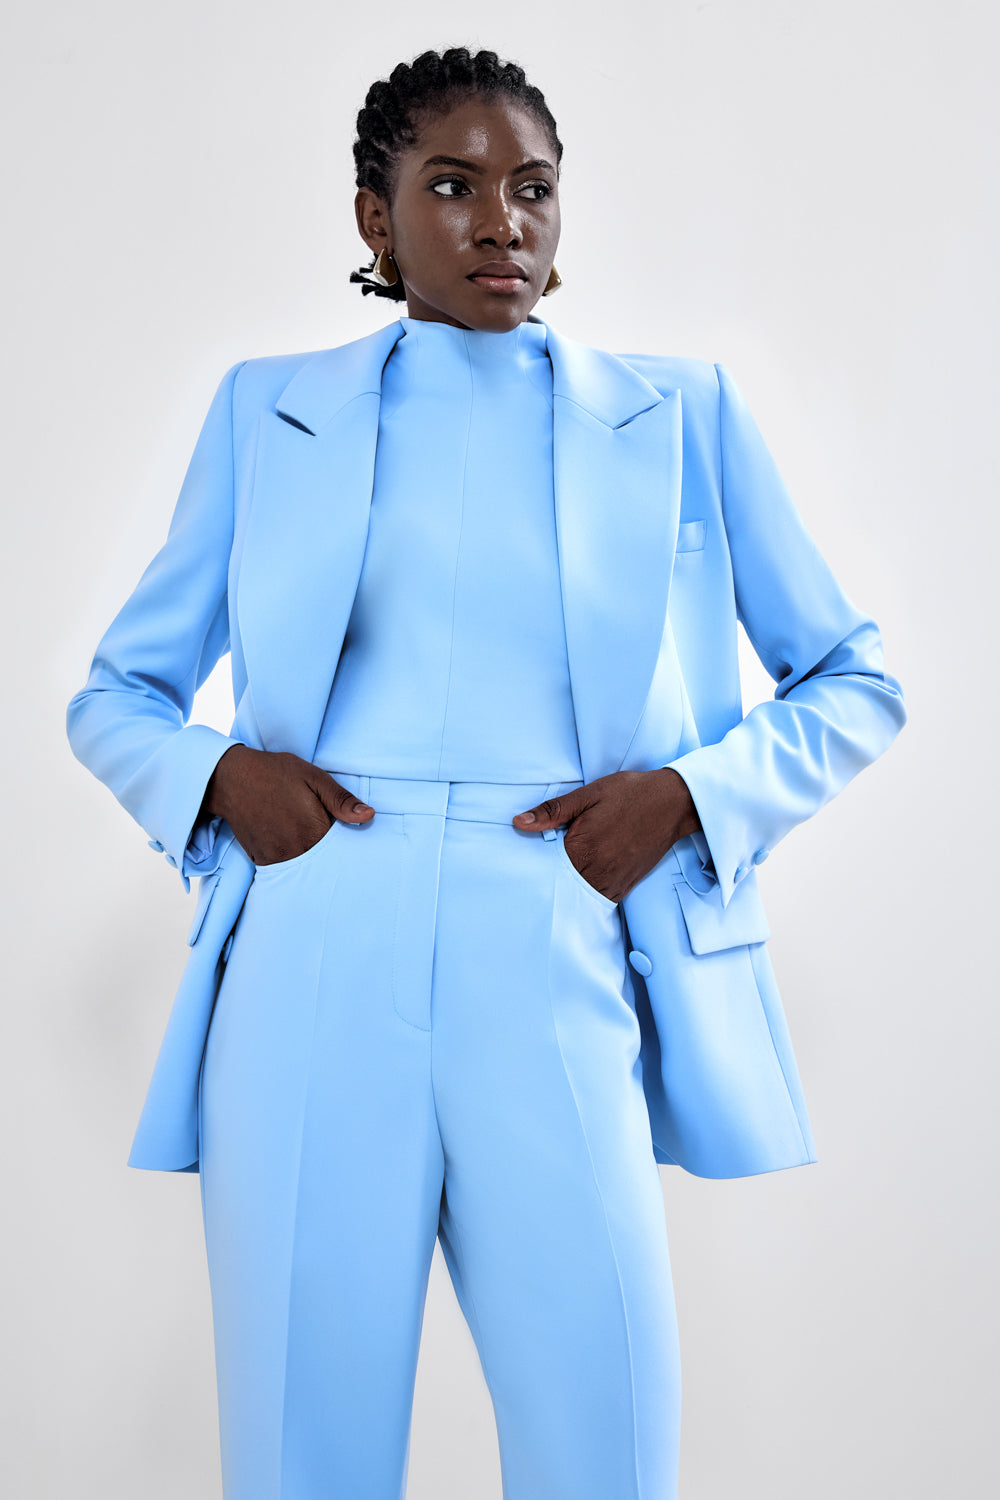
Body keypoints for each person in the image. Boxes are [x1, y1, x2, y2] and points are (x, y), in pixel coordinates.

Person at [65, 44, 907, 1500]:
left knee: (605, 1439)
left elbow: (856, 679)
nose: (500, 221)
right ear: (375, 219)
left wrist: (689, 799)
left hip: (563, 934)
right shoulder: (269, 412)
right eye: (451, 187)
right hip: (314, 950)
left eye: (533, 188)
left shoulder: (681, 413)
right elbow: (115, 697)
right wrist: (217, 779)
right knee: (301, 1447)